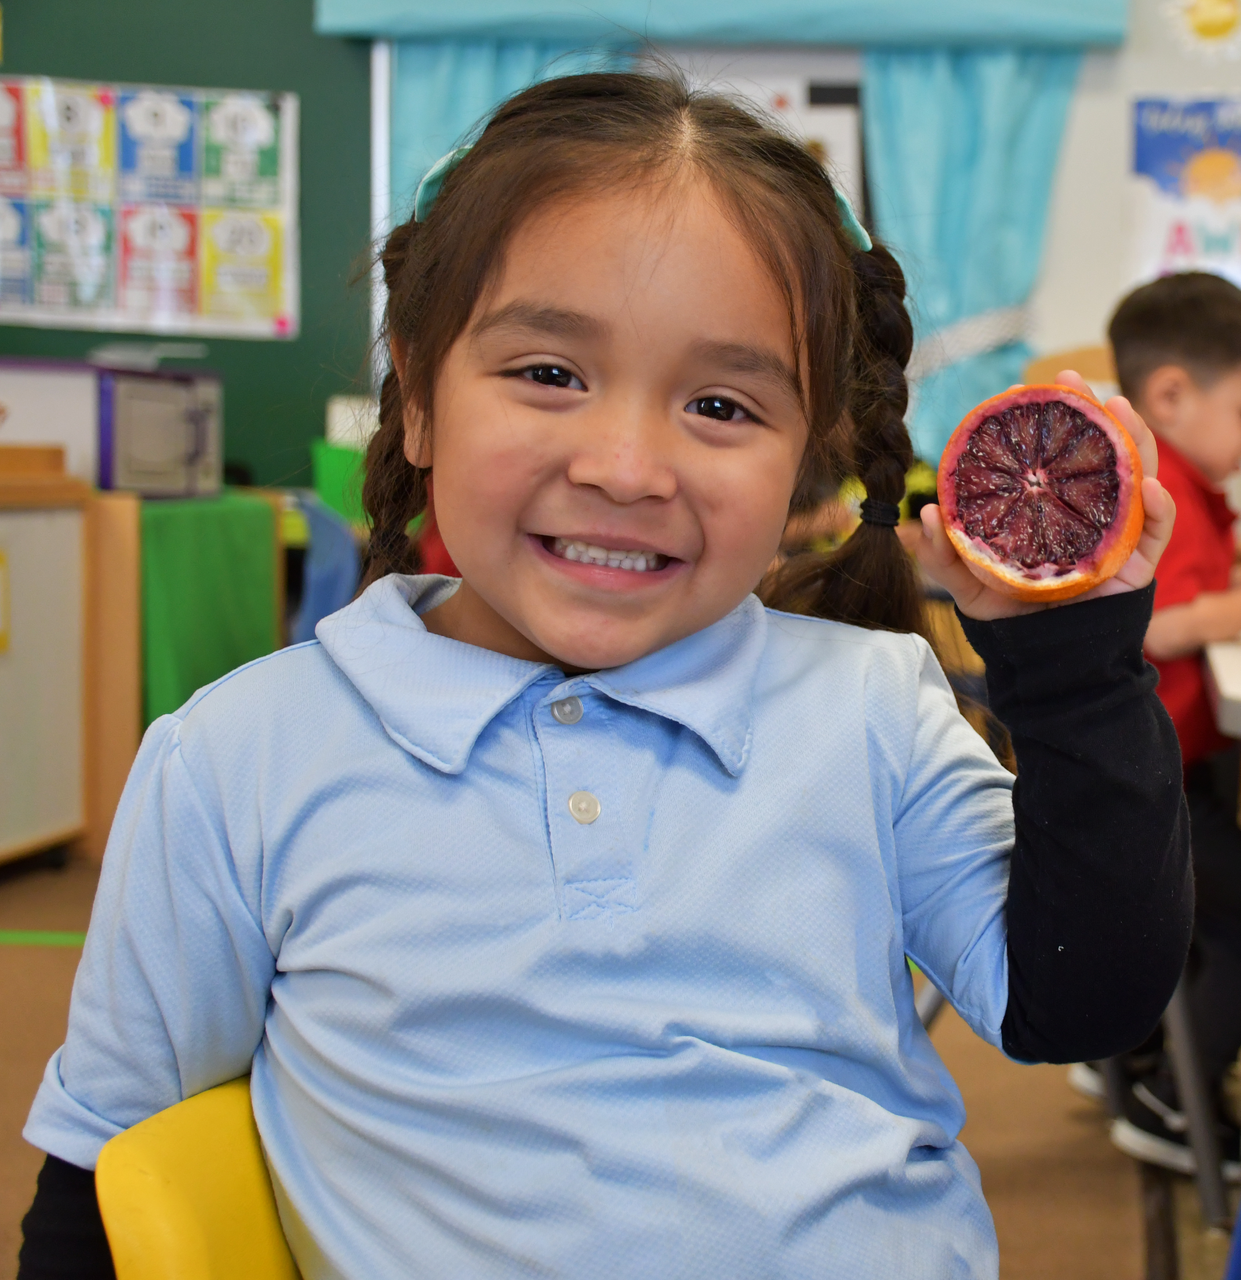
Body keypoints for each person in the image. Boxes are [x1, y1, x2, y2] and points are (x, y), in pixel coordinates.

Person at [19, 72, 1187, 1280]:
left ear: (805, 461)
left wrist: (1075, 672)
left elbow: (1079, 999)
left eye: (721, 403)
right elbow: (104, 1160)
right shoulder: (237, 757)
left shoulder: (872, 706)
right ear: (417, 398)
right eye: (548, 374)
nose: (627, 466)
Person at [1105, 271, 1241, 1175]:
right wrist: (1218, 615)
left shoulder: (1183, 478)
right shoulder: (1161, 487)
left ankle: (1130, 1059)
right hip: (1140, 788)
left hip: (1155, 770)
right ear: (1171, 395)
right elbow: (1138, 621)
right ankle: (1164, 1101)